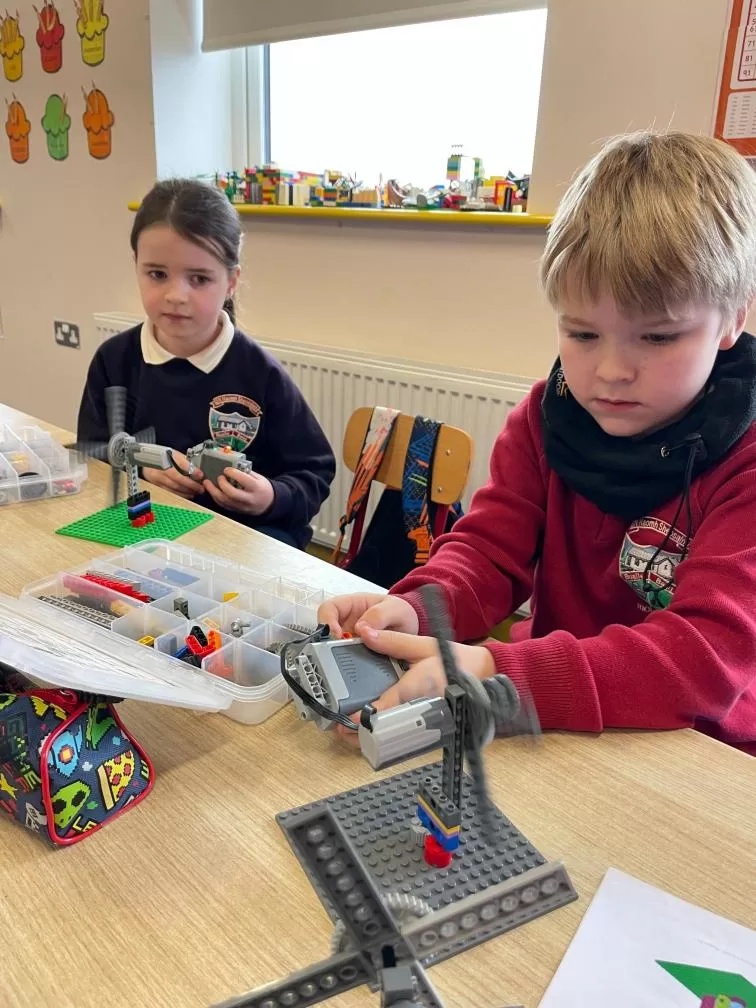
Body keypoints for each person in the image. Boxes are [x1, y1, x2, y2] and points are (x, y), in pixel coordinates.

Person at [319, 130, 756, 755]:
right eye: (582, 334)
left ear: (733, 318)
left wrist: (500, 673)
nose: (611, 372)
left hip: (701, 747)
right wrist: (417, 611)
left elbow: (702, 658)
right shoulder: (545, 417)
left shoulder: (746, 460)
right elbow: (488, 553)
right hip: (558, 716)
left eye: (658, 338)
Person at [77, 179, 335, 549]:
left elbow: (314, 471)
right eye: (157, 274)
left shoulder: (259, 373)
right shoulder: (114, 361)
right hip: (145, 537)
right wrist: (142, 467)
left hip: (243, 543)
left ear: (231, 282)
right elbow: (92, 451)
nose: (176, 295)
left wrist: (270, 496)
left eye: (199, 279)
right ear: (136, 267)